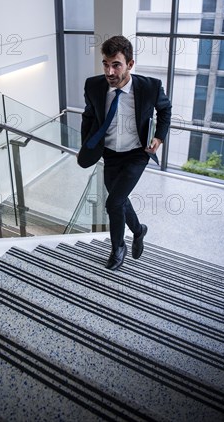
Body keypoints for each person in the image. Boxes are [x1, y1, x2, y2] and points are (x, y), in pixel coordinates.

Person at [78, 35, 172, 271]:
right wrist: (87, 143)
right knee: (119, 201)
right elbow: (89, 115)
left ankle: (118, 247)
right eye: (105, 64)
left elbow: (165, 110)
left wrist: (158, 137)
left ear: (130, 64)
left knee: (113, 202)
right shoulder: (93, 85)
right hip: (109, 154)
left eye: (116, 64)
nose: (109, 71)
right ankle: (139, 231)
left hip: (136, 153)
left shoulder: (150, 87)